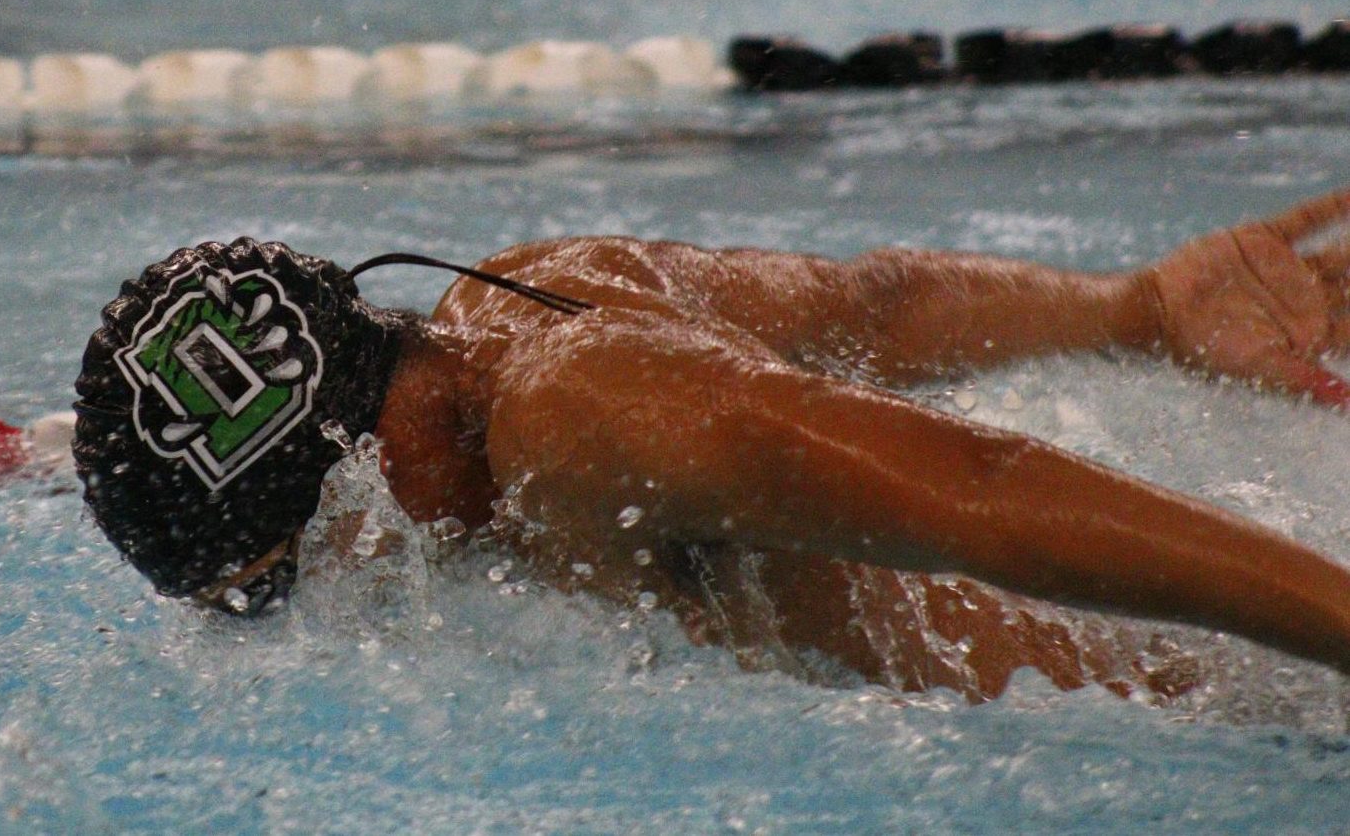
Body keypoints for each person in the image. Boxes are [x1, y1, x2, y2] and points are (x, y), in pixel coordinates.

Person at [72, 187, 1350, 701]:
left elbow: (983, 487)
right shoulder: (533, 289)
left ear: (356, 471)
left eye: (281, 583)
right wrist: (1125, 309)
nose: (320, 610)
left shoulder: (584, 421)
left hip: (1207, 711)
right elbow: (870, 302)